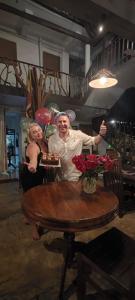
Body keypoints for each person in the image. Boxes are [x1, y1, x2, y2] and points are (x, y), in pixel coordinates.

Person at [48, 112, 107, 182]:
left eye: (64, 121)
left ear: (69, 123)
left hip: (76, 178)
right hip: (59, 179)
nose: (62, 124)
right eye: (59, 122)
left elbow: (94, 141)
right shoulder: (51, 139)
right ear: (56, 124)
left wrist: (101, 134)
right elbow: (52, 158)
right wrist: (50, 165)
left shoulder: (78, 134)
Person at [20, 122, 52, 240]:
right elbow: (33, 160)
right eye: (34, 132)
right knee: (33, 203)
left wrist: (46, 165)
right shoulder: (33, 146)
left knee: (33, 200)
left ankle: (27, 217)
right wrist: (32, 166)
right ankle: (34, 229)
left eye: (39, 130)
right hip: (30, 177)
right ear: (31, 136)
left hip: (39, 176)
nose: (38, 133)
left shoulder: (44, 143)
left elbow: (45, 161)